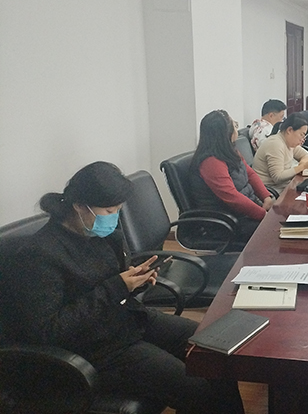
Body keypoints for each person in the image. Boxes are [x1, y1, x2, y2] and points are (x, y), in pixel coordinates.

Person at [1, 162, 244, 413]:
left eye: (118, 209)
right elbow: (48, 331)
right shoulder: (38, 256)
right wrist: (117, 286)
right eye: (109, 210)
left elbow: (113, 286)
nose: (114, 217)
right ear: (79, 205)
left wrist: (135, 281)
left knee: (216, 351)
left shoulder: (101, 236)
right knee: (197, 390)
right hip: (98, 348)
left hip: (129, 319)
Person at [190, 109, 273, 242]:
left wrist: (266, 197)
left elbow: (250, 173)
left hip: (244, 213)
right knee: (277, 231)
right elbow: (232, 197)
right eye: (235, 125)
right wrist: (263, 214)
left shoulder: (229, 151)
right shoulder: (211, 162)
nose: (236, 128)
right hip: (228, 223)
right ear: (226, 133)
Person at [253, 113, 308, 193]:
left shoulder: (289, 142)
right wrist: (303, 167)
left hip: (285, 185)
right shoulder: (275, 144)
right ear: (290, 130)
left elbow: (306, 155)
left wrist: (306, 164)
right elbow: (278, 177)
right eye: (301, 135)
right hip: (271, 191)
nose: (302, 139)